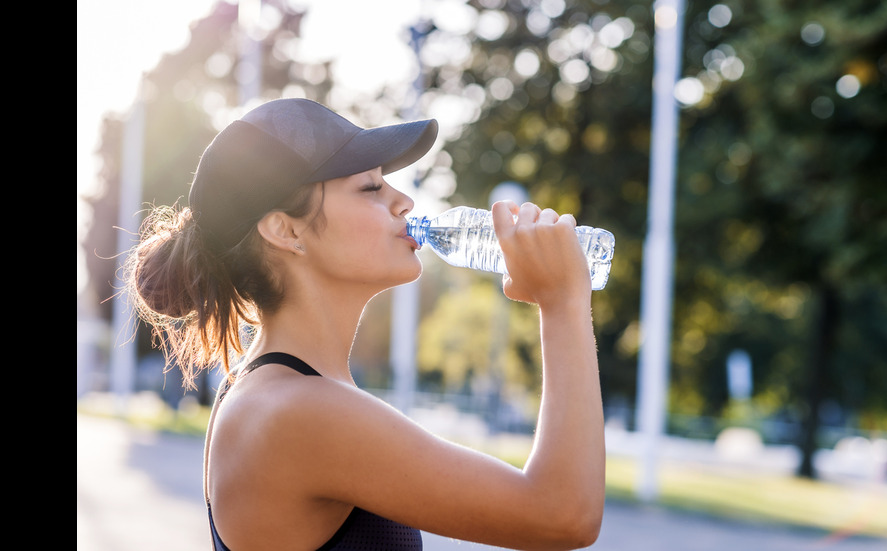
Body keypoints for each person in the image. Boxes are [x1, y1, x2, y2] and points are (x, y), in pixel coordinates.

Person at [124, 97, 605, 550]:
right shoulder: (297, 411)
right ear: (286, 230)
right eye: (372, 187)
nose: (404, 202)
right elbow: (562, 514)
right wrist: (562, 302)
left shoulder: (277, 392)